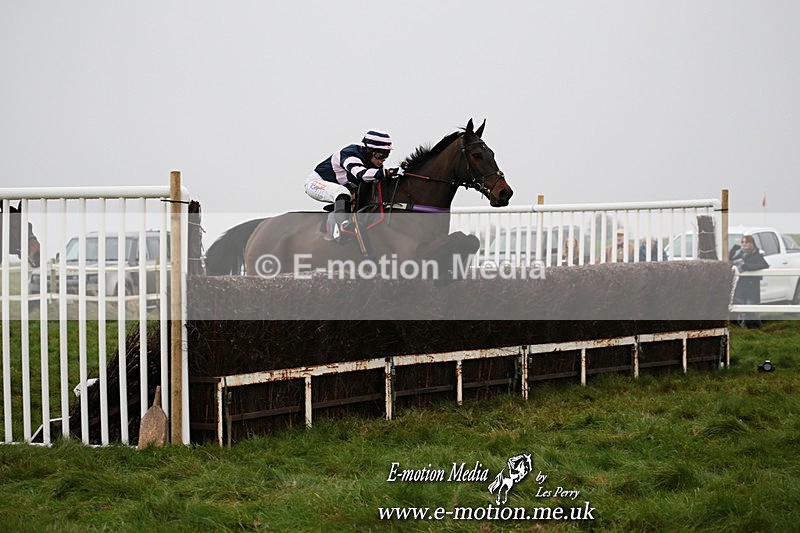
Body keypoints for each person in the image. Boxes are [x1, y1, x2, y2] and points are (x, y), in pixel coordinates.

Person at [305, 129, 399, 241]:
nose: (383, 159)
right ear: (368, 151)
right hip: (316, 183)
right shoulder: (350, 154)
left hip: (344, 187)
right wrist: (388, 172)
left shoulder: (374, 164)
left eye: (387, 154)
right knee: (342, 192)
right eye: (380, 154)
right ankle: (343, 226)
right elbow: (361, 174)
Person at [730, 235, 769, 328]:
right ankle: (743, 330)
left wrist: (747, 267)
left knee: (751, 311)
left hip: (752, 288)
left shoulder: (757, 255)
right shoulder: (738, 254)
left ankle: (757, 329)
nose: (744, 244)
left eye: (746, 242)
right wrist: (733, 250)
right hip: (741, 287)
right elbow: (729, 260)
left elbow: (764, 265)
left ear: (752, 244)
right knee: (740, 310)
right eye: (742, 242)